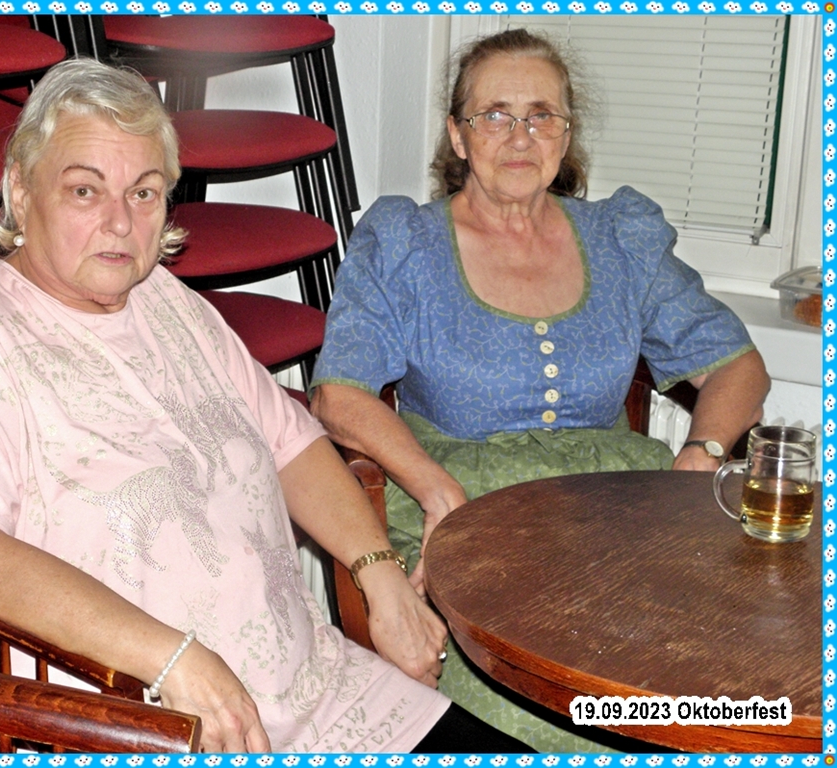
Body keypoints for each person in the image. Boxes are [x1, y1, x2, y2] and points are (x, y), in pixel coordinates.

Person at [0, 58, 534, 754]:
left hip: (323, 695)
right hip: (130, 721)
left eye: (144, 192)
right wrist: (175, 660)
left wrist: (378, 571)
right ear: (21, 189)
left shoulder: (168, 301)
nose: (119, 223)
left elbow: (291, 444)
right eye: (84, 190)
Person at [308, 29, 770, 752]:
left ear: (566, 134)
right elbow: (339, 395)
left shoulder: (619, 237)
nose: (519, 135)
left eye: (541, 115)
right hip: (471, 520)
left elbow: (738, 367)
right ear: (458, 135)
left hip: (621, 513)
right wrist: (435, 488)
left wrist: (699, 459)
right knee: (554, 705)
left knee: (720, 680)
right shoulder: (404, 243)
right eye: (494, 114)